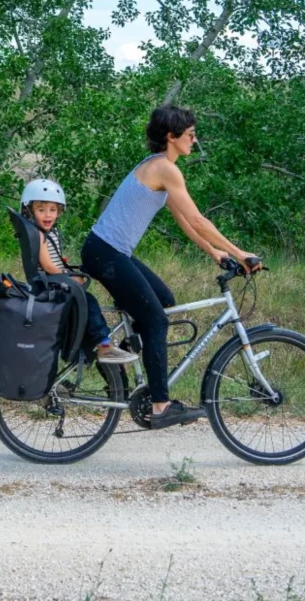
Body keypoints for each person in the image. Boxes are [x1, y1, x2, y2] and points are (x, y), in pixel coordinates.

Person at [81, 105, 262, 429]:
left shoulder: (160, 167)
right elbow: (197, 218)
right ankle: (161, 405)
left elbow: (185, 222)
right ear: (171, 136)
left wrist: (216, 253)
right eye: (190, 135)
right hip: (106, 253)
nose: (194, 140)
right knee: (156, 321)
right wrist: (240, 251)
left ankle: (119, 363)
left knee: (163, 300)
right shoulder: (165, 168)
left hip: (108, 250)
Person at [20, 178, 138, 365]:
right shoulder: (39, 234)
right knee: (88, 301)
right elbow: (49, 266)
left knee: (84, 297)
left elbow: (53, 261)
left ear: (59, 211)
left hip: (52, 282)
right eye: (41, 210)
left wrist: (66, 268)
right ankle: (104, 344)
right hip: (51, 285)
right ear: (29, 211)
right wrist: (68, 276)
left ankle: (86, 352)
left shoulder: (47, 233)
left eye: (52, 210)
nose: (47, 215)